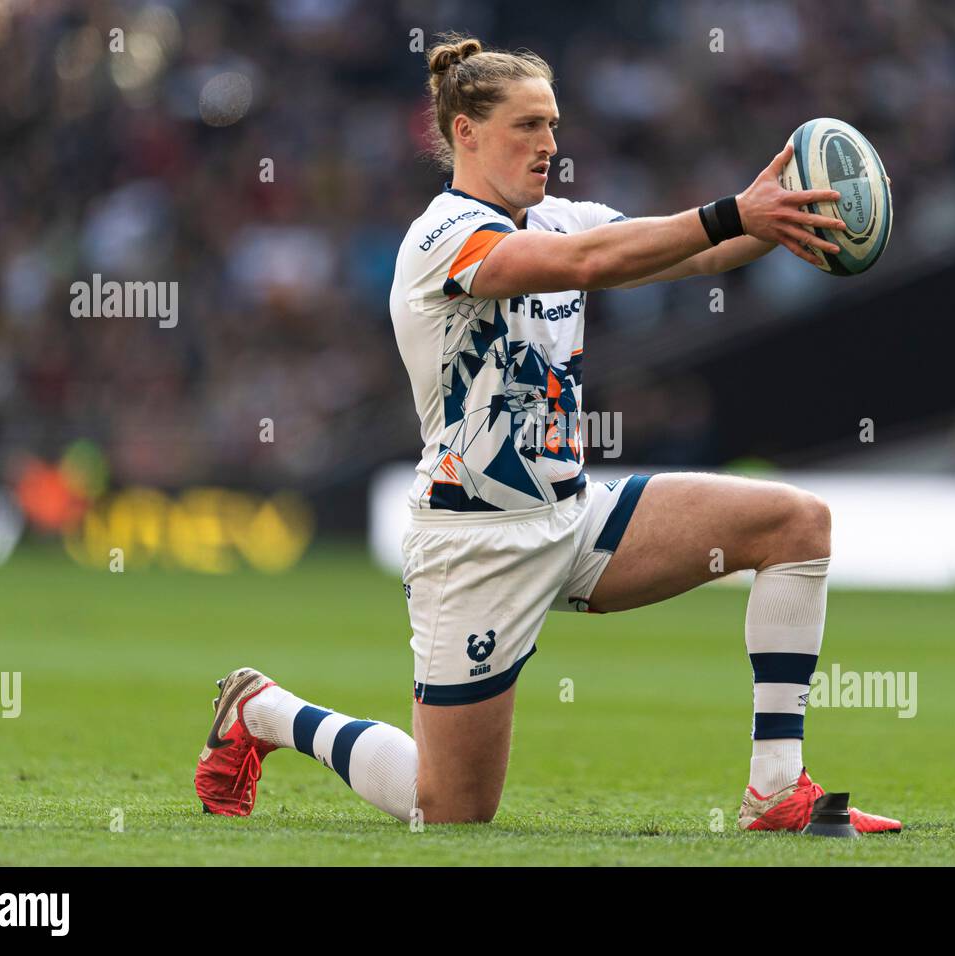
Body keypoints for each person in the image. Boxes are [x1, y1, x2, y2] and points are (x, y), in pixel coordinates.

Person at [195, 33, 901, 834]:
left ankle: (776, 790)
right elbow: (586, 264)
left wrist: (779, 218)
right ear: (466, 131)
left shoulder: (565, 218)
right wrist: (733, 213)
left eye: (554, 124)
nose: (550, 144)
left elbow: (692, 256)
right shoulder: (440, 238)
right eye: (528, 124)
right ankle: (269, 711)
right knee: (451, 806)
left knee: (795, 524)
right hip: (476, 543)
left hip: (575, 517)